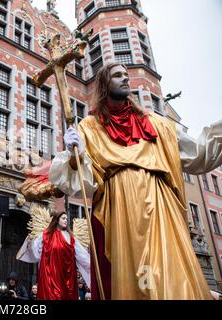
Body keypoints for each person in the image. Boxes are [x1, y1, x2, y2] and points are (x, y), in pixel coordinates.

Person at [49, 62, 222, 300]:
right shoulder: (89, 127)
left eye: (126, 75)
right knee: (134, 278)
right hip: (120, 210)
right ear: (103, 84)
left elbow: (199, 154)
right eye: (117, 75)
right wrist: (73, 156)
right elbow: (79, 183)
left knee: (171, 274)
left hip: (161, 207)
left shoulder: (157, 124)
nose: (125, 79)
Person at [17, 211, 90, 300]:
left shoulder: (71, 237)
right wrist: (30, 242)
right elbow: (35, 250)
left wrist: (91, 265)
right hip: (50, 276)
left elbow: (82, 255)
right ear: (56, 219)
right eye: (63, 218)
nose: (66, 220)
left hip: (67, 277)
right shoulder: (46, 235)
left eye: (67, 219)